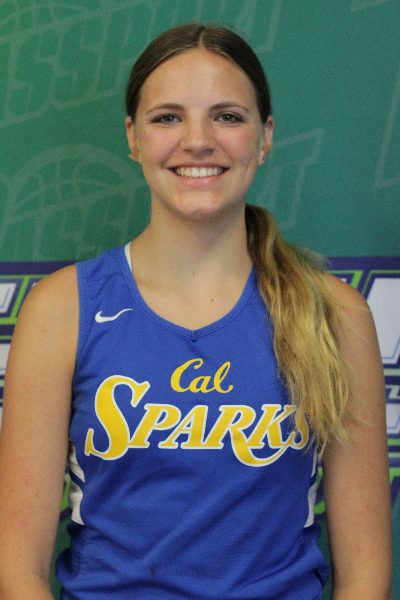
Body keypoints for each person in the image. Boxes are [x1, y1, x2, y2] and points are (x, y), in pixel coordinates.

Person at [0, 22, 392, 600]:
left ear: (265, 137)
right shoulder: (63, 309)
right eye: (167, 117)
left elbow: (366, 576)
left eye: (227, 116)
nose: (198, 140)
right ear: (133, 137)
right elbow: (17, 571)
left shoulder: (334, 314)